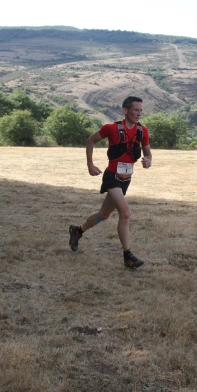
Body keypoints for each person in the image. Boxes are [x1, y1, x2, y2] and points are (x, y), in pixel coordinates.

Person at [68, 96, 152, 269]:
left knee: (104, 215)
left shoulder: (142, 131)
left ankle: (77, 230)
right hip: (112, 176)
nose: (139, 114)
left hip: (126, 178)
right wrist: (90, 164)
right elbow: (90, 140)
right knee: (125, 213)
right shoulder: (111, 128)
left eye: (141, 111)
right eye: (136, 110)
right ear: (125, 110)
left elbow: (148, 153)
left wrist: (148, 161)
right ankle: (127, 256)